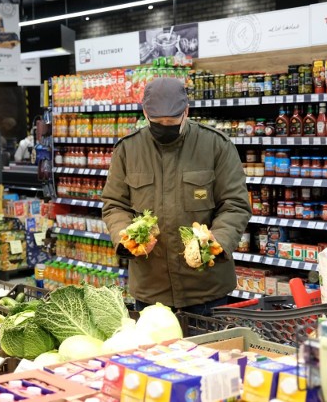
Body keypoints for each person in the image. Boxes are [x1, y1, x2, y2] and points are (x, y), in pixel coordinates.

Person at [102, 77, 251, 315]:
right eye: (157, 122)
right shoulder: (128, 150)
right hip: (151, 290)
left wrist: (216, 242)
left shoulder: (215, 145)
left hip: (207, 289)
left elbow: (235, 204)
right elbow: (114, 204)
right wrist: (127, 238)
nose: (164, 126)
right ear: (145, 113)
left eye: (171, 121)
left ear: (186, 111)